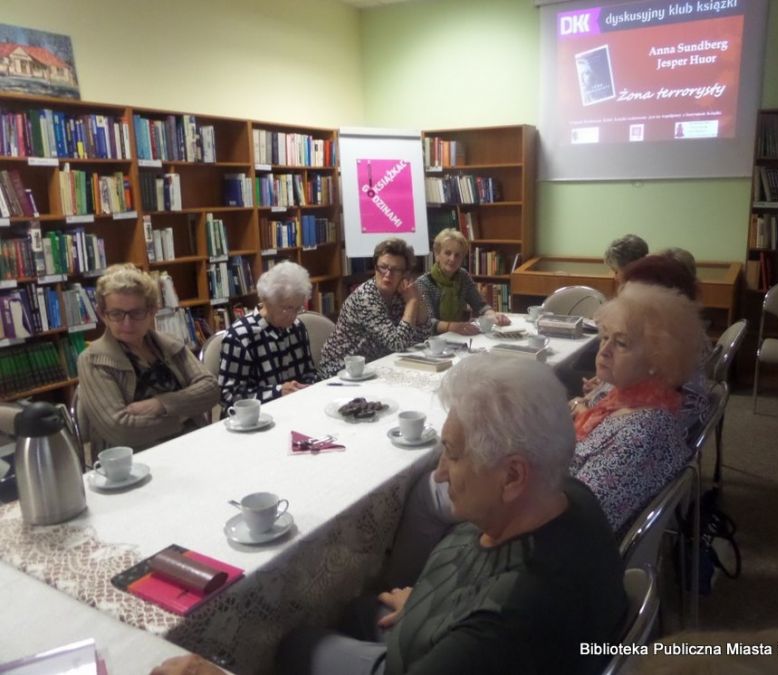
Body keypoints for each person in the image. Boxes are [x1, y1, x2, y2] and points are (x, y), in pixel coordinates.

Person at [151, 356, 627, 675]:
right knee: (357, 606)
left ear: (512, 476)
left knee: (294, 645)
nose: (439, 474)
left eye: (453, 455)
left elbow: (492, 622)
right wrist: (429, 604)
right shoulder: (567, 493)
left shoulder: (505, 623)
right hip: (437, 628)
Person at [569, 282, 705, 534]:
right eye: (605, 337)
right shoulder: (619, 396)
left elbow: (578, 521)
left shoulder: (643, 433)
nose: (604, 351)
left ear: (658, 358)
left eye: (621, 343)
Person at [76, 263, 218, 453]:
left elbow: (210, 389)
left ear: (152, 311)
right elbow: (121, 430)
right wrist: (182, 414)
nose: (127, 323)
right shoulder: (93, 360)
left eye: (137, 313)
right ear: (103, 315)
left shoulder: (170, 344)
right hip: (133, 461)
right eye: (116, 314)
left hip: (192, 444)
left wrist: (160, 404)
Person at [319, 238, 431, 377]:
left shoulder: (401, 292)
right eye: (383, 267)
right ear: (375, 267)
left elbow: (424, 335)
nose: (387, 275)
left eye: (395, 270)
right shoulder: (366, 298)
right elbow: (398, 344)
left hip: (375, 366)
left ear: (405, 274)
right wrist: (412, 302)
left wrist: (417, 296)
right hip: (341, 371)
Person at [218, 261, 319, 408]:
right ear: (267, 301)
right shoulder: (240, 337)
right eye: (287, 308)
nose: (292, 316)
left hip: (296, 410)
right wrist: (277, 392)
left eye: (297, 309)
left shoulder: (297, 328)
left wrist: (308, 386)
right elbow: (229, 397)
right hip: (255, 420)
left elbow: (309, 373)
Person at [415, 228, 509, 335]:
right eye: (448, 253)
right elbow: (426, 323)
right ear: (437, 255)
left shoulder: (463, 276)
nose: (452, 259)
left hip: (457, 336)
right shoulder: (424, 283)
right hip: (432, 341)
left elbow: (480, 305)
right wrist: (451, 327)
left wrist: (492, 315)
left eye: (457, 255)